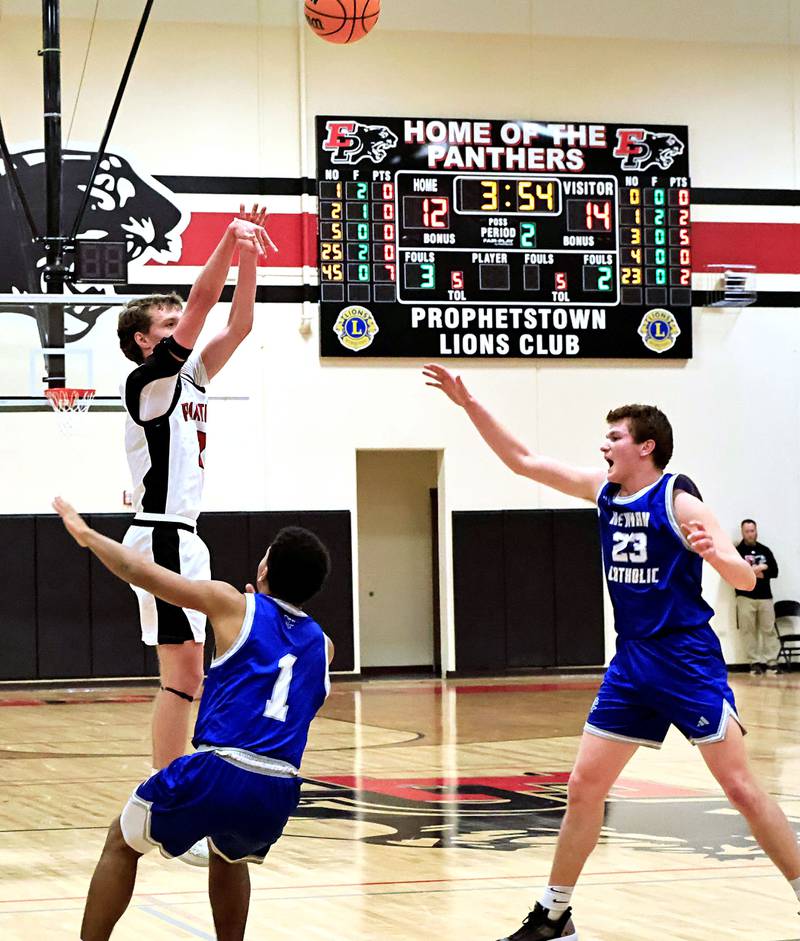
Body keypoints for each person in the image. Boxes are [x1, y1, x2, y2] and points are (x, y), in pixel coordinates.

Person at [423, 363, 800, 941]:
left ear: (646, 447)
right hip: (631, 663)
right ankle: (555, 913)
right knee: (582, 786)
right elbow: (522, 460)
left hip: (685, 659)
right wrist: (468, 401)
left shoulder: (679, 498)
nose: (604, 444)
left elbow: (744, 579)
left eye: (615, 437)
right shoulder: (603, 492)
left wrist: (716, 555)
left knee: (741, 790)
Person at [52, 496, 333, 941]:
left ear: (265, 571)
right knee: (230, 856)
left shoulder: (233, 605)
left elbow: (142, 573)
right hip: (279, 787)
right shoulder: (324, 646)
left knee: (121, 843)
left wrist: (87, 535)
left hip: (220, 768)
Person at [116, 205, 275, 777]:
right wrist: (228, 239)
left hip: (182, 536)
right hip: (161, 536)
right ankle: (165, 785)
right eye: (168, 324)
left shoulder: (192, 378)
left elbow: (239, 326)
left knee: (189, 677)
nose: (181, 324)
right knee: (182, 678)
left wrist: (251, 252)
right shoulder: (148, 382)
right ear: (143, 341)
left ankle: (170, 781)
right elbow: (207, 305)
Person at [735, 519, 780, 675]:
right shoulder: (737, 551)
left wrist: (760, 570)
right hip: (745, 596)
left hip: (765, 597)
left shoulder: (765, 550)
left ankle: (772, 662)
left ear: (756, 531)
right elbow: (736, 572)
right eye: (747, 531)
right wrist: (757, 570)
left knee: (769, 630)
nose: (750, 534)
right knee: (748, 631)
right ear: (742, 532)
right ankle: (754, 662)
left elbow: (774, 571)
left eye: (752, 530)